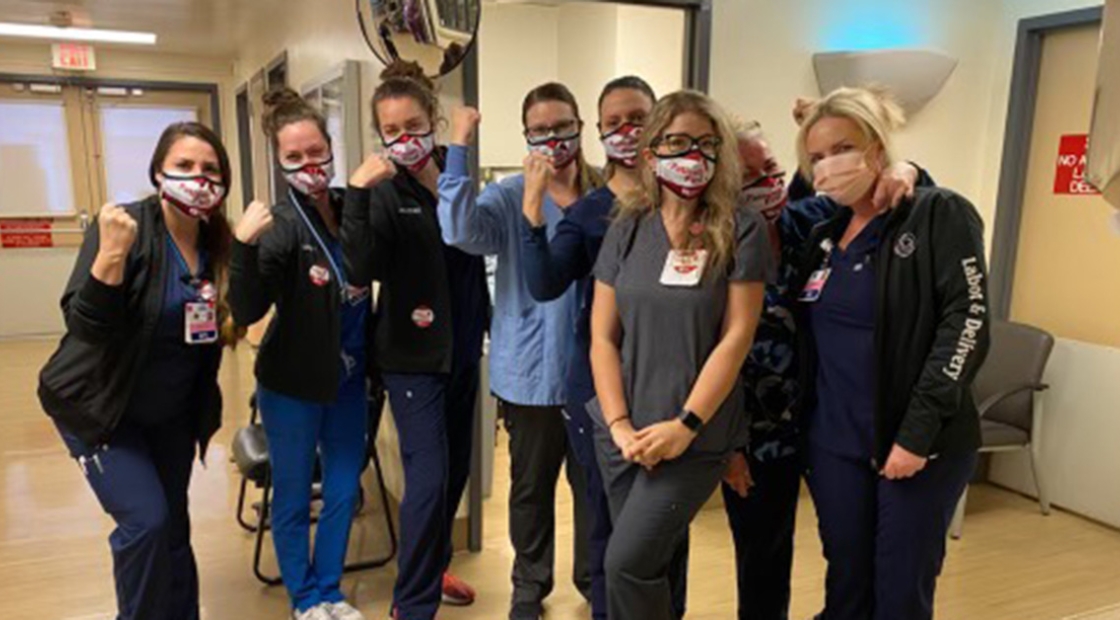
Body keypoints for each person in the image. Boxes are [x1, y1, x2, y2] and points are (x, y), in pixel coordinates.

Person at [722, 118, 931, 620]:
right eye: (751, 177)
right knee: (762, 562)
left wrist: (908, 167)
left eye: (772, 167)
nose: (768, 183)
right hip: (756, 437)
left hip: (825, 424)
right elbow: (706, 355)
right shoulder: (717, 254)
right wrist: (726, 445)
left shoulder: (814, 221)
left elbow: (910, 199)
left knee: (849, 550)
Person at [792, 87, 989, 620]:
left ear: (877, 147)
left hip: (916, 443)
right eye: (816, 157)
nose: (829, 165)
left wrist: (916, 433)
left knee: (900, 592)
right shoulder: (823, 234)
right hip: (835, 442)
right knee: (847, 582)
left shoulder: (936, 213)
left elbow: (966, 323)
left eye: (843, 148)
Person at [38, 121, 236, 620]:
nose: (198, 178)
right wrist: (110, 256)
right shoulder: (125, 227)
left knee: (173, 529)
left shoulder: (217, 244)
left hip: (168, 414)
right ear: (157, 173)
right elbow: (84, 325)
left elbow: (218, 329)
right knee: (145, 524)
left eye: (210, 169)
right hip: (101, 408)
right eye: (185, 166)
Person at [589, 90, 771, 620]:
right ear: (650, 153)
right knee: (652, 570)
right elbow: (602, 336)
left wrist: (685, 425)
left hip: (693, 437)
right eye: (677, 142)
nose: (693, 155)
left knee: (626, 565)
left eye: (705, 143)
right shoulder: (627, 227)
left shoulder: (740, 228)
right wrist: (618, 424)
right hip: (624, 437)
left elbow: (736, 337)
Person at [439, 82, 599, 620]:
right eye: (540, 131)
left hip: (596, 377)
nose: (553, 139)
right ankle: (529, 586)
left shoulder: (605, 194)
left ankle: (593, 579)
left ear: (580, 125)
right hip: (530, 373)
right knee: (530, 490)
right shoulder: (510, 197)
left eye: (562, 126)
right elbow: (458, 229)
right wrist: (458, 145)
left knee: (593, 489)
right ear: (526, 136)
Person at [341, 60, 489, 620]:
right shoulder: (381, 191)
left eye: (414, 125)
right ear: (380, 137)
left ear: (432, 119)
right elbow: (360, 265)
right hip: (411, 357)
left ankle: (434, 564)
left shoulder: (457, 170)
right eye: (392, 131)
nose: (405, 139)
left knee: (456, 471)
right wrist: (356, 192)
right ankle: (413, 603)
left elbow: (474, 244)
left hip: (463, 347)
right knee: (427, 476)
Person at [229, 87, 371, 620]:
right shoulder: (281, 227)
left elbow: (367, 262)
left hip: (349, 380)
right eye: (295, 157)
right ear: (279, 161)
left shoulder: (347, 206)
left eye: (316, 152)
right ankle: (305, 599)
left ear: (330, 148)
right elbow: (245, 309)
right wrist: (243, 245)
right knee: (292, 495)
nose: (310, 165)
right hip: (291, 385)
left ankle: (331, 590)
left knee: (340, 489)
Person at [518, 75, 657, 620]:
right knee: (604, 519)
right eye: (615, 122)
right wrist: (532, 212)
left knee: (662, 523)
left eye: (638, 118)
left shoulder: (688, 203)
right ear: (598, 131)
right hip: (598, 389)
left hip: (666, 385)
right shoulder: (589, 212)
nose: (627, 131)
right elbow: (546, 282)